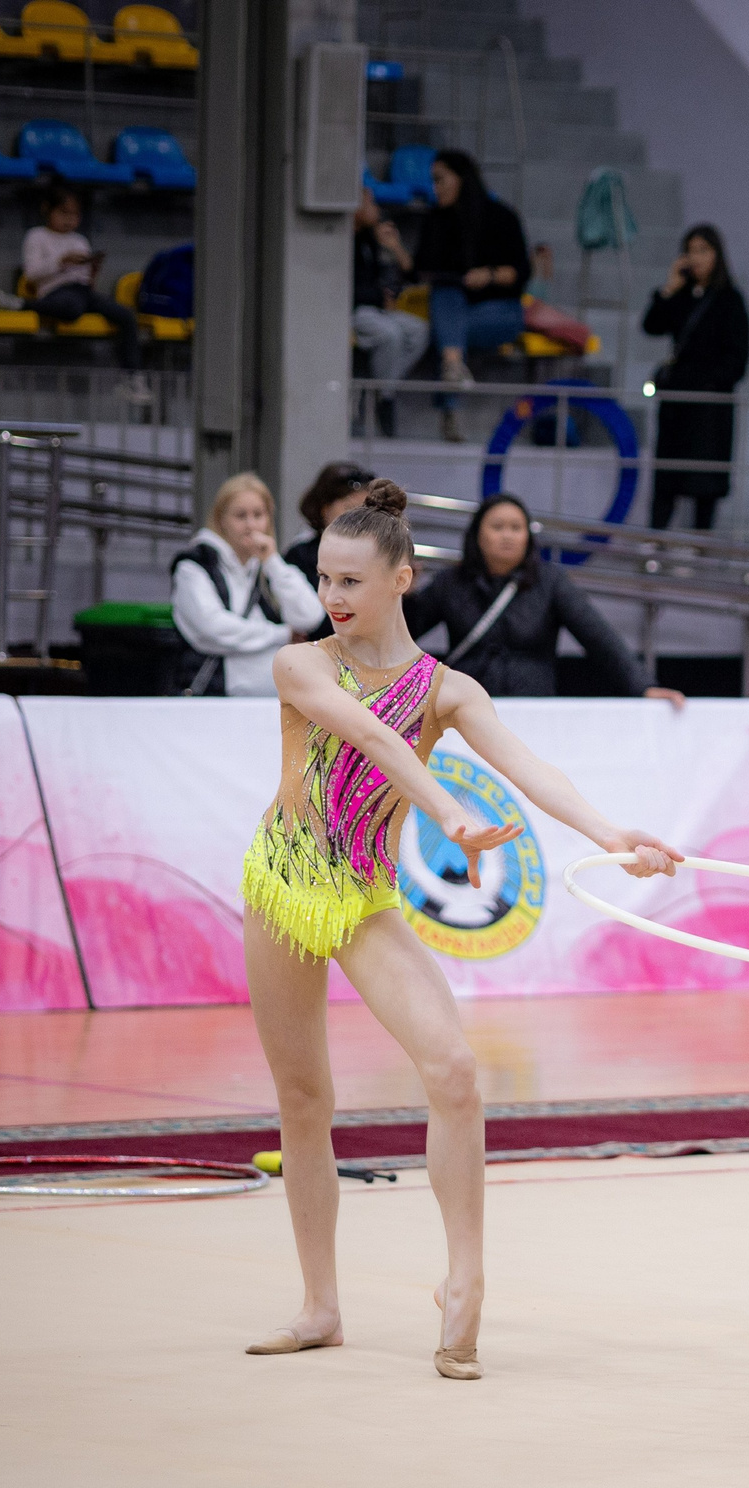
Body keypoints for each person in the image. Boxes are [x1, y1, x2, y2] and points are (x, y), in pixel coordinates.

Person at [238, 480, 680, 1378]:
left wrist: (610, 832)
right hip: (283, 885)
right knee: (304, 1100)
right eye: (325, 577)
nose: (332, 596)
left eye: (352, 579)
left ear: (404, 577)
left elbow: (527, 762)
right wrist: (445, 812)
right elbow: (374, 742)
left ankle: (466, 1277)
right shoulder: (303, 666)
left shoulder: (448, 689)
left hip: (362, 897)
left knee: (454, 1068)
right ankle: (320, 1303)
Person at [404, 492, 685, 704]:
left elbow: (599, 637)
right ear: (477, 535)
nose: (508, 536)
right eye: (498, 527)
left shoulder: (550, 582)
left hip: (534, 706)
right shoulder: (451, 582)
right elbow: (406, 634)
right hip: (467, 709)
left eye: (516, 528)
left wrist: (643, 686)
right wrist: (401, 598)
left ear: (528, 536)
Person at [413, 150, 530, 443]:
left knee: (449, 327)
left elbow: (520, 271)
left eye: (440, 180)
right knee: (446, 294)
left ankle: (451, 368)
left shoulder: (500, 216)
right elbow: (420, 270)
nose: (435, 188)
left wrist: (488, 275)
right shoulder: (436, 220)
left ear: (461, 179)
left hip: (498, 311)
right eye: (432, 181)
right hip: (451, 306)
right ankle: (453, 367)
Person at [172, 474, 325, 697]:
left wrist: (273, 562)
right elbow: (212, 629)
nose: (251, 525)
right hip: (216, 699)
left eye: (258, 515)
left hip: (272, 701)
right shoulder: (195, 565)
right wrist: (281, 635)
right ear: (220, 519)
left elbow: (310, 616)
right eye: (240, 516)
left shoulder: (269, 566)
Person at [642, 224, 749, 531]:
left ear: (717, 254)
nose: (697, 258)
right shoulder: (682, 296)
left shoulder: (730, 300)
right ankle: (654, 544)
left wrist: (705, 382)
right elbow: (651, 325)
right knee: (667, 478)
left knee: (705, 482)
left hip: (708, 407)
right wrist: (669, 288)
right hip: (676, 402)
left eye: (704, 250)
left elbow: (738, 360)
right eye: (691, 251)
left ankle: (701, 547)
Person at [22, 187, 146, 398]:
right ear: (47, 209)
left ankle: (132, 378)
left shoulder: (79, 240)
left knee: (125, 315)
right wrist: (61, 262)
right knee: (72, 309)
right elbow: (32, 274)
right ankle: (23, 304)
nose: (69, 220)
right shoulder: (36, 236)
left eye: (75, 215)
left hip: (83, 291)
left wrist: (93, 270)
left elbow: (86, 279)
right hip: (55, 291)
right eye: (63, 213)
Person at [350, 189, 428, 439]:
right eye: (369, 201)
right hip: (353, 311)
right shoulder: (343, 237)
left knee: (418, 330)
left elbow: (412, 276)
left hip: (378, 309)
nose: (375, 207)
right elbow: (343, 289)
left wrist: (395, 248)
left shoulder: (372, 237)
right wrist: (378, 297)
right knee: (391, 335)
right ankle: (385, 398)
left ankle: (379, 390)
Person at [283, 462, 376, 583]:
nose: (358, 518)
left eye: (365, 509)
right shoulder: (300, 556)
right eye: (349, 508)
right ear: (325, 509)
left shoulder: (377, 553)